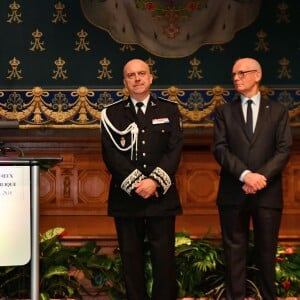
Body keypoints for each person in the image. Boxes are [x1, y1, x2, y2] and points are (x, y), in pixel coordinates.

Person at [100, 58, 183, 300]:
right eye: (131, 75)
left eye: (141, 74)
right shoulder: (111, 114)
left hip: (161, 197)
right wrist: (138, 183)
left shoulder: (169, 110)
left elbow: (174, 150)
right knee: (131, 261)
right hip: (127, 197)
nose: (137, 78)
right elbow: (110, 153)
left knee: (164, 260)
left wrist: (154, 181)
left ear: (150, 78)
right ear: (124, 81)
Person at [213, 57, 292, 300]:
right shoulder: (224, 112)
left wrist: (260, 177)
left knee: (266, 253)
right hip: (233, 193)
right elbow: (220, 149)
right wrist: (246, 175)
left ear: (257, 75)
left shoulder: (278, 111)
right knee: (234, 253)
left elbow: (284, 149)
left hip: (267, 193)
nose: (236, 78)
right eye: (234, 74)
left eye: (242, 73)